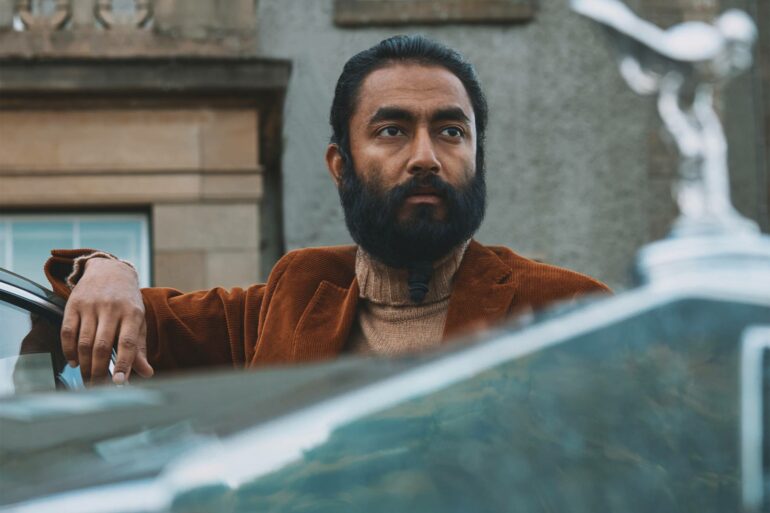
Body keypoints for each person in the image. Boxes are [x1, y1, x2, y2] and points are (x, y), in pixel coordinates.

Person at [44, 35, 609, 385]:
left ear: (477, 157)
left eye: (450, 131)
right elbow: (124, 327)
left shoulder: (568, 307)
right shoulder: (290, 299)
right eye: (392, 130)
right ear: (340, 165)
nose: (425, 157)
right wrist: (105, 268)